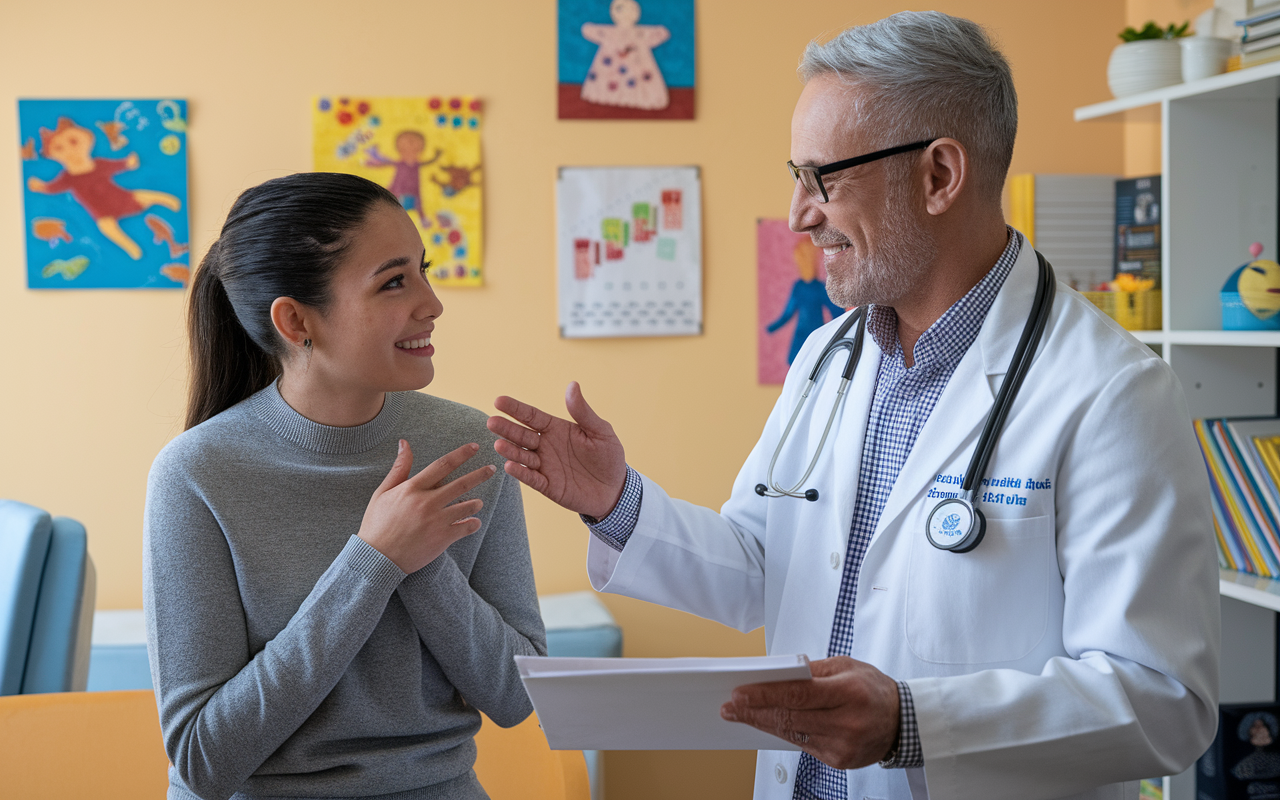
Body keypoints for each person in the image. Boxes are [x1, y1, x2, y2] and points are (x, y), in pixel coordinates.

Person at [487, 11, 1219, 800]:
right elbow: (766, 570)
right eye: (796, 176)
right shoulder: (827, 359)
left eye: (823, 178)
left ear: (940, 175)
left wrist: (914, 722)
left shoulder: (1111, 393)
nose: (800, 213)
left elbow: (1163, 703)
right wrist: (617, 502)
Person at [144, 172, 544, 800]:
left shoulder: (472, 447)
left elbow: (520, 696)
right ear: (297, 321)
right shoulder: (196, 474)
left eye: (423, 270)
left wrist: (423, 562)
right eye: (394, 281)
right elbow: (202, 757)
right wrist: (373, 563)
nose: (432, 302)